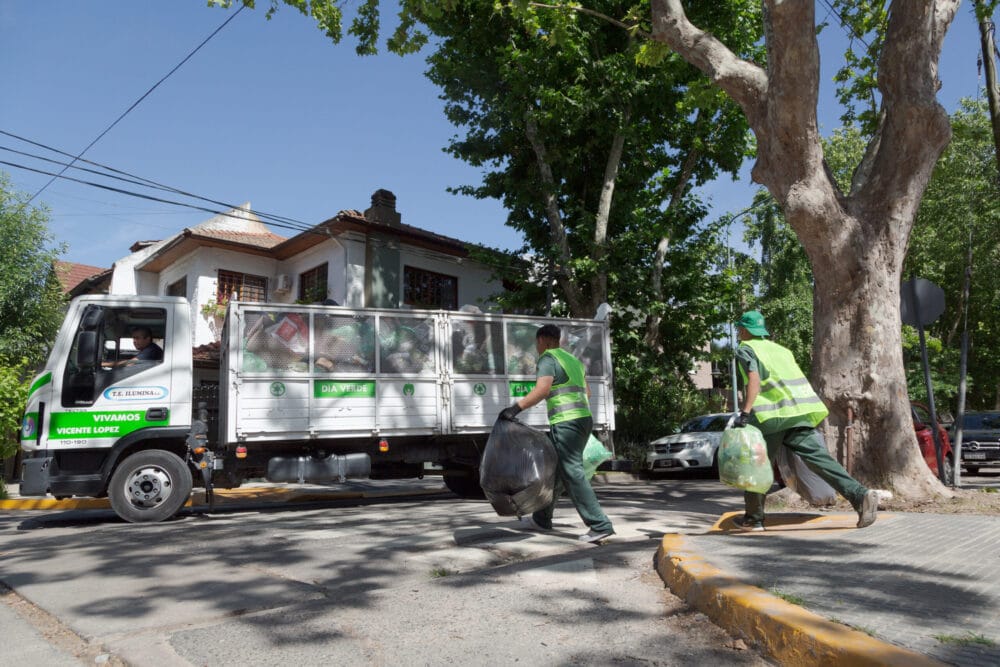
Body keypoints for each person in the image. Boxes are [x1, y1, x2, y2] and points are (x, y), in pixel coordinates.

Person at [732, 310, 878, 531]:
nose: (738, 333)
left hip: (770, 417)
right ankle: (860, 496)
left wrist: (745, 412)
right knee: (820, 460)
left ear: (744, 330)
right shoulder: (781, 350)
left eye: (739, 329)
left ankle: (753, 519)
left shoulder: (746, 349)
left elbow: (754, 379)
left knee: (757, 466)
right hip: (799, 413)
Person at [498, 324, 615, 543]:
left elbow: (542, 390)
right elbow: (587, 392)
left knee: (572, 472)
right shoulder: (573, 361)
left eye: (536, 343)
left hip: (566, 422)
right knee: (556, 472)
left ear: (542, 340)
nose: (537, 347)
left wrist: (514, 409)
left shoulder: (548, 358)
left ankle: (600, 524)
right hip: (582, 419)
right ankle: (542, 518)